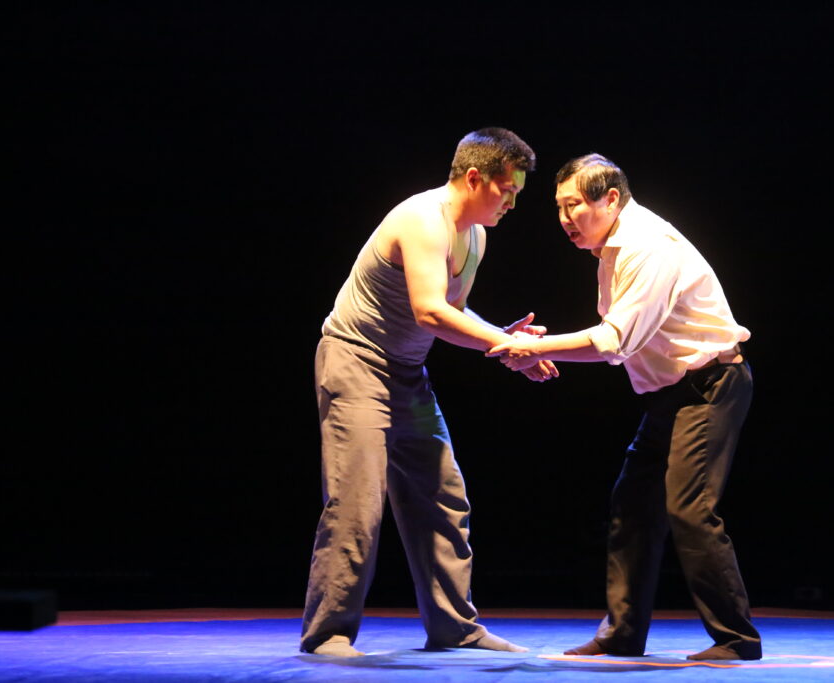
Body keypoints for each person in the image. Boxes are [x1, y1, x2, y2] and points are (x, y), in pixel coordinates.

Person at [487, 153, 761, 661]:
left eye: (574, 205)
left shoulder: (648, 246)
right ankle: (623, 633)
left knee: (689, 509)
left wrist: (537, 347)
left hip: (709, 385)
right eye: (559, 207)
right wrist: (542, 348)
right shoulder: (612, 249)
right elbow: (620, 343)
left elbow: (615, 342)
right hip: (669, 395)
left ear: (610, 199)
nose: (565, 218)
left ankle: (736, 638)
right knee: (632, 507)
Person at [301, 128, 557, 657]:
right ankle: (328, 633)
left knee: (443, 496)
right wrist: (506, 344)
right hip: (355, 362)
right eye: (507, 190)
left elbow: (453, 309)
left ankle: (454, 627)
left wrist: (504, 340)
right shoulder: (422, 219)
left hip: (407, 374)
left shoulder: (475, 235)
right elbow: (430, 313)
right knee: (357, 501)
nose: (512, 203)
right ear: (474, 177)